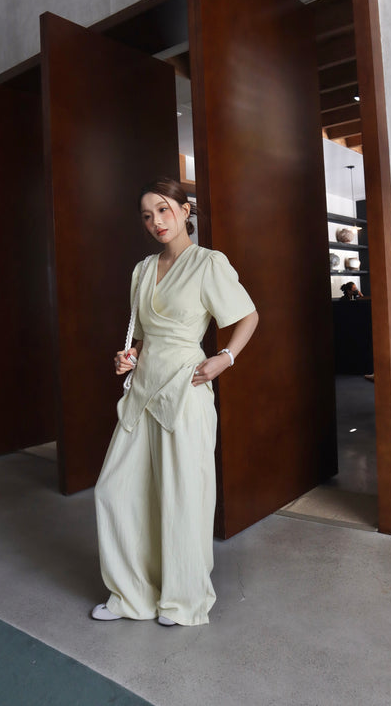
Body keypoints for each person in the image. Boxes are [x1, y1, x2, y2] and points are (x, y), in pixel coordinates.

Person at [92, 178, 258, 627]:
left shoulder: (208, 263)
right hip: (144, 389)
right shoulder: (143, 269)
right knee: (117, 491)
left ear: (186, 211)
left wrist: (225, 358)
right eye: (147, 215)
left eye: (164, 210)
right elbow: (145, 336)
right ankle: (132, 596)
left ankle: (182, 601)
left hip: (186, 388)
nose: (156, 221)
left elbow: (248, 316)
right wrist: (129, 356)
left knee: (182, 495)